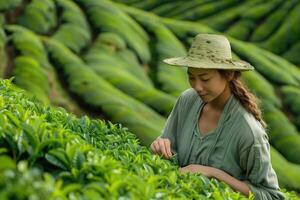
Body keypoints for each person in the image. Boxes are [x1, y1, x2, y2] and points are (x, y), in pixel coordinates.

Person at [150, 33, 285, 199]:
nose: (197, 87)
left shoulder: (248, 132)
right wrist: (160, 147)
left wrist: (213, 174)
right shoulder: (187, 100)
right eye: (191, 77)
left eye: (205, 79)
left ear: (228, 75)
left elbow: (271, 195)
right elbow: (169, 153)